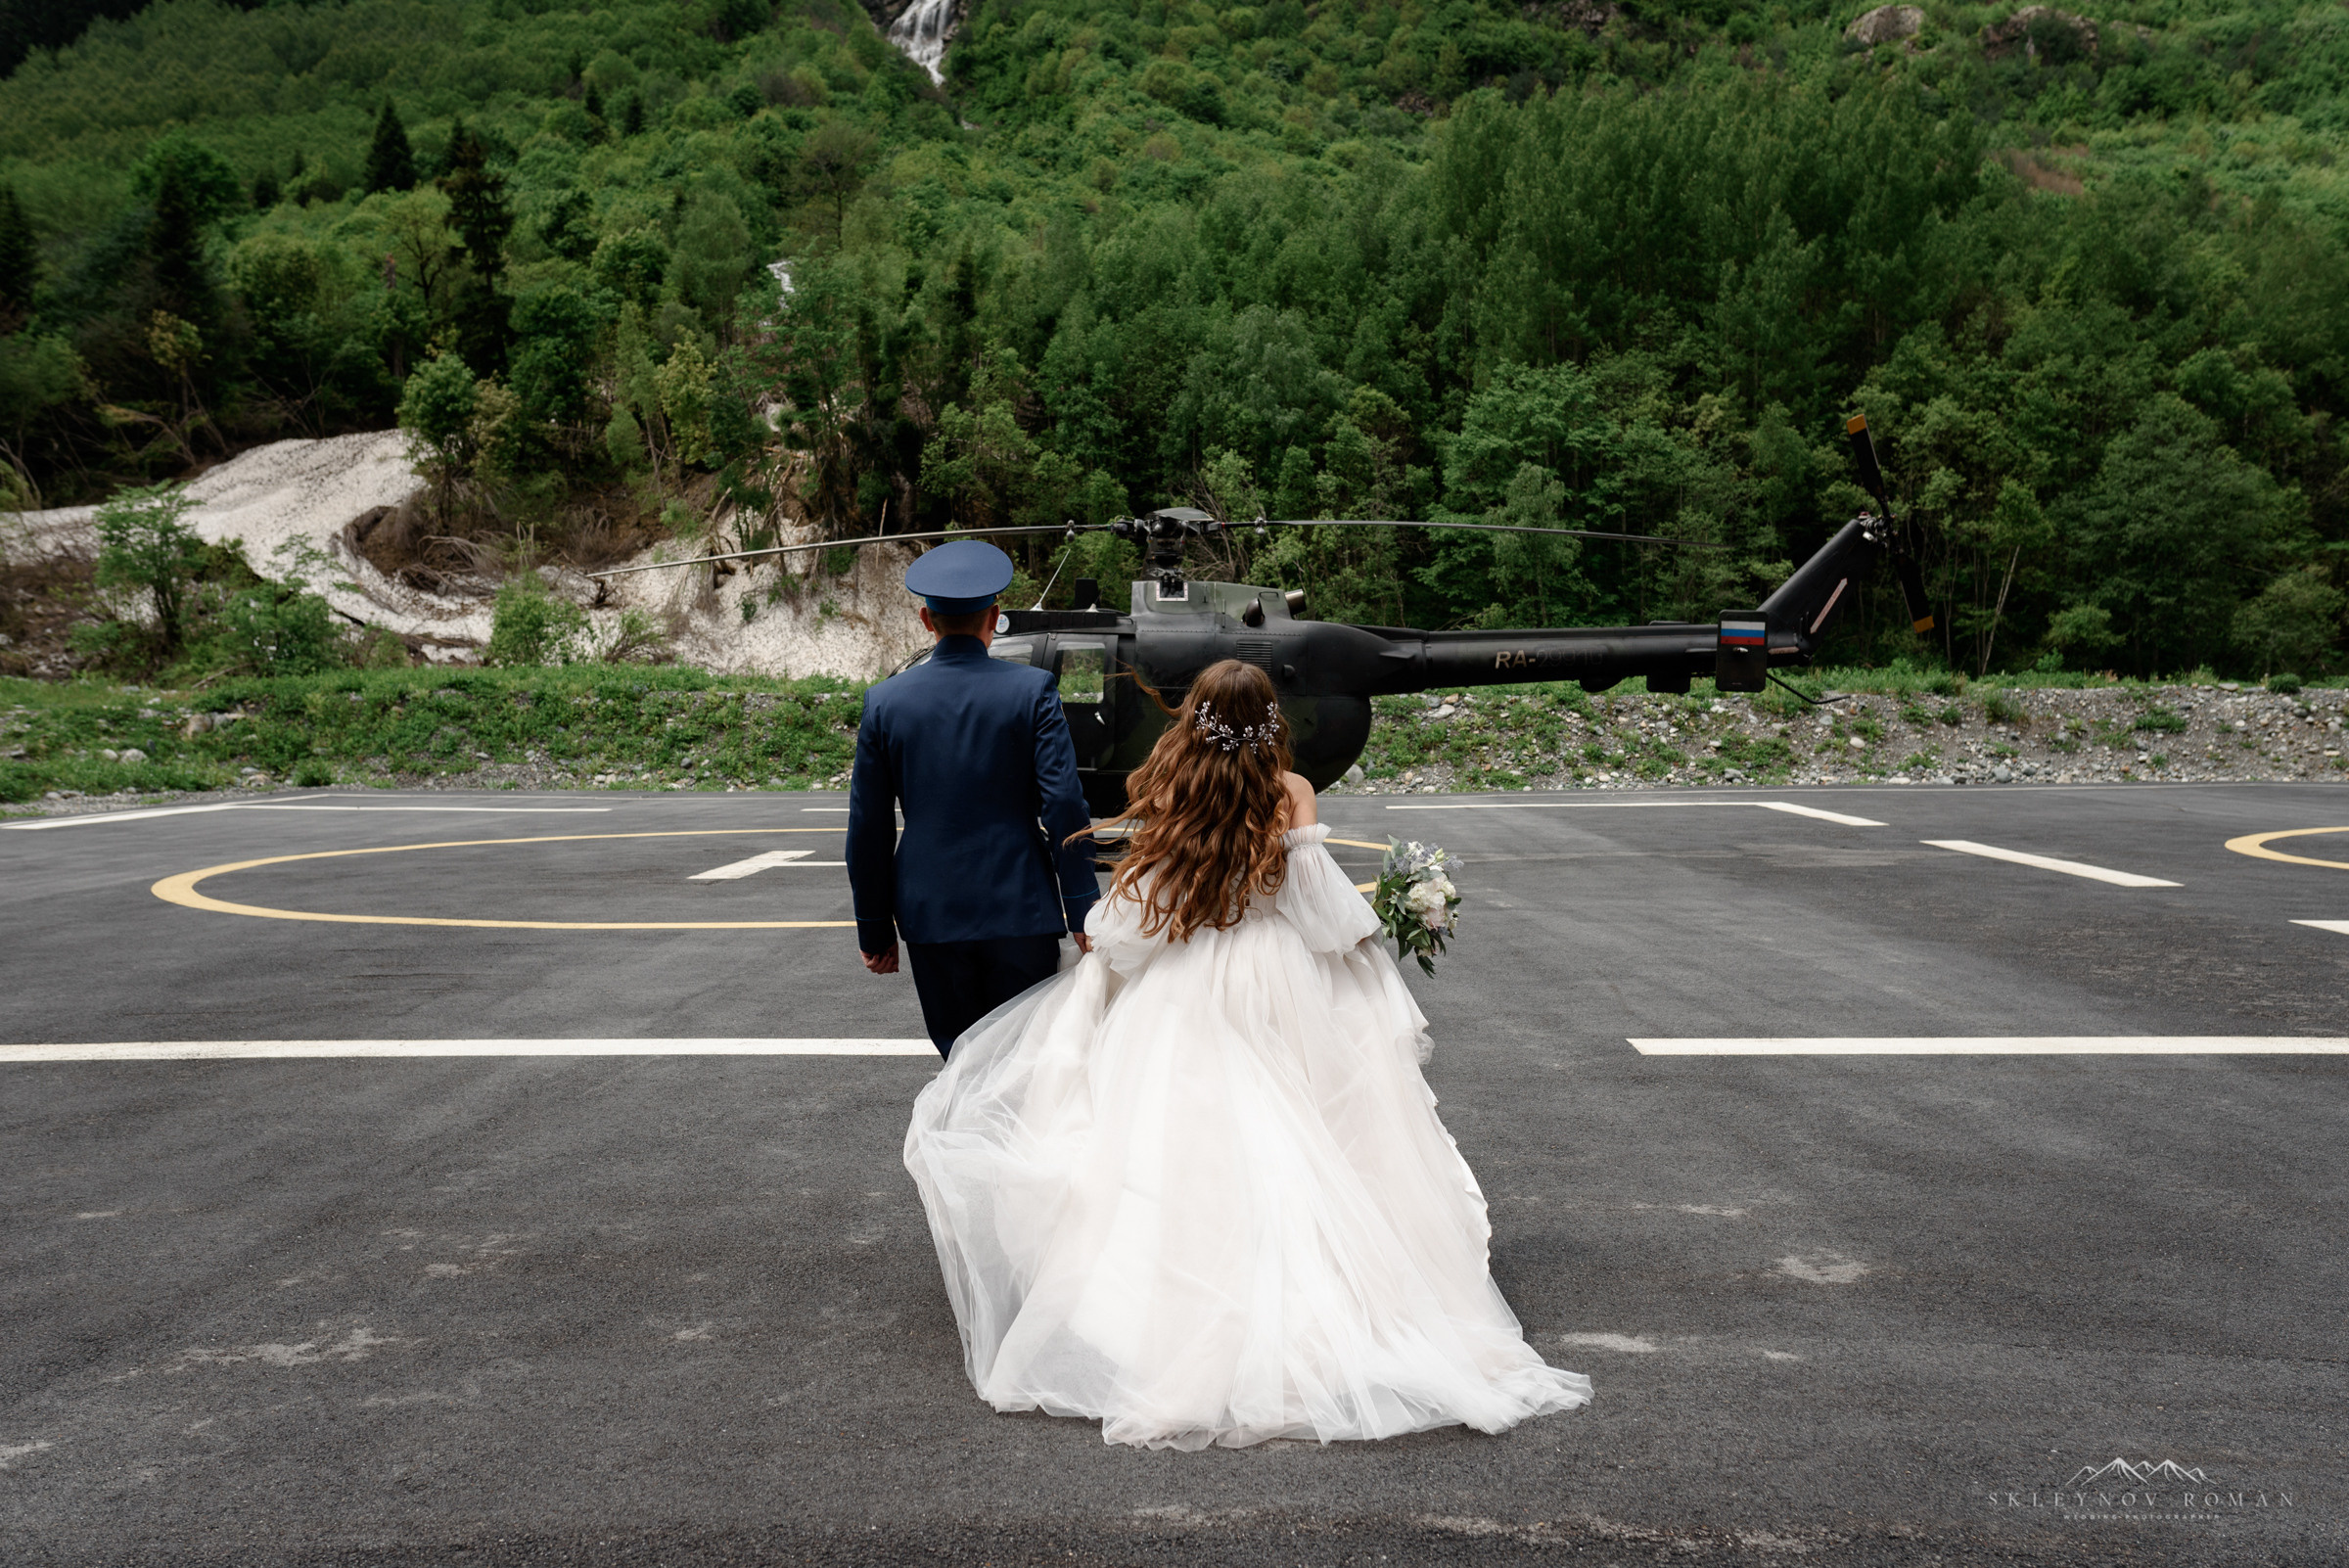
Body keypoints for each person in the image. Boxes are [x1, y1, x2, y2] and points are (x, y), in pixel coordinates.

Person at [902, 658, 1591, 1451]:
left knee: (1184, 1141)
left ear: (1194, 716)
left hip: (1187, 982)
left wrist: (1110, 955)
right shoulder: (1289, 792)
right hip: (1275, 978)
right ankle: (1322, 1300)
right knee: (1301, 1123)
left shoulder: (1171, 787)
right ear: (1272, 722)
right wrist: (1376, 924)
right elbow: (1319, 913)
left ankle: (1171, 1308)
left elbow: (1142, 913)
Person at [847, 539, 1098, 1058]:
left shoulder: (885, 701)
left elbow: (868, 825)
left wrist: (874, 926)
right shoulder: (1033, 690)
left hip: (930, 911)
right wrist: (1082, 908)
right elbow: (1064, 805)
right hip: (1019, 905)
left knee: (959, 1056)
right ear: (996, 617)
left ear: (925, 619)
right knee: (1020, 1059)